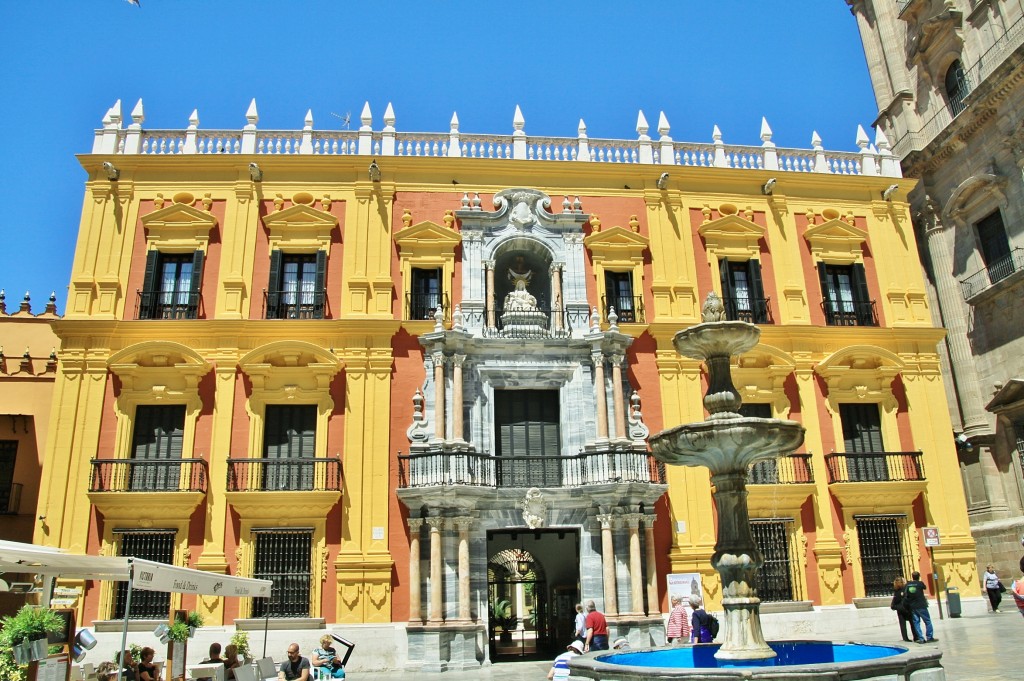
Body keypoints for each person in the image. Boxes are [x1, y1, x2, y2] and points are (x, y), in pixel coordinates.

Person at [903, 571, 938, 643]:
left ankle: (921, 638)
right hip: (921, 605)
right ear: (918, 576)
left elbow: (905, 594)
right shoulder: (920, 583)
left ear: (912, 576)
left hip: (912, 606)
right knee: (927, 621)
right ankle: (929, 637)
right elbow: (924, 588)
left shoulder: (908, 584)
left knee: (916, 622)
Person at [890, 576, 912, 641]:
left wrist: (897, 607)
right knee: (912, 623)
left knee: (902, 625)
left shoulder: (896, 591)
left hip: (899, 609)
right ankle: (916, 636)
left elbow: (895, 601)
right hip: (907, 609)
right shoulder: (905, 589)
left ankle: (905, 638)